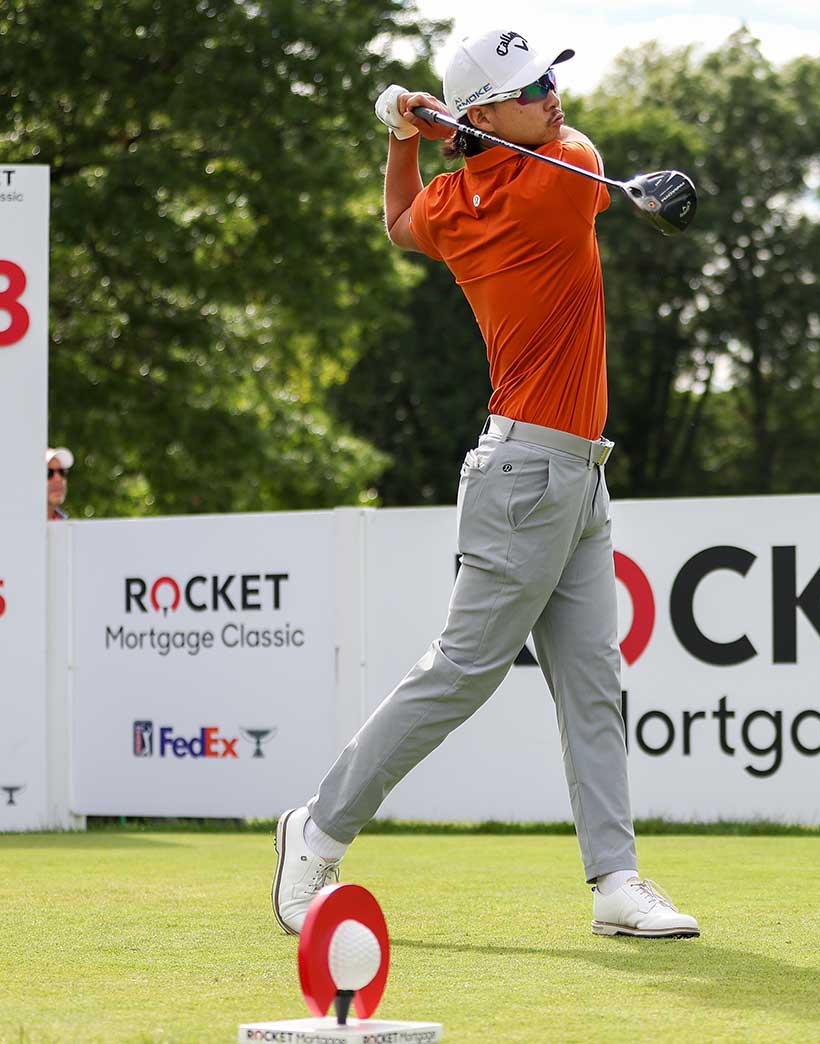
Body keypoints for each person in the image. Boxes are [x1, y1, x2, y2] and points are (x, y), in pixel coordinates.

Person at [270, 28, 698, 940]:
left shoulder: (455, 201)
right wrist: (427, 127)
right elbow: (572, 154)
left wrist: (401, 135)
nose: (552, 94)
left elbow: (396, 224)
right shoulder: (559, 179)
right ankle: (317, 828)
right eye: (529, 87)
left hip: (575, 472)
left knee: (591, 681)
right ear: (486, 115)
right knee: (461, 674)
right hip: (530, 473)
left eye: (549, 78)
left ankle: (616, 881)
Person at [46, 448, 74, 521]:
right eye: (49, 473)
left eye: (62, 472)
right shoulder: (17, 522)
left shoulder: (65, 522)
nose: (58, 479)